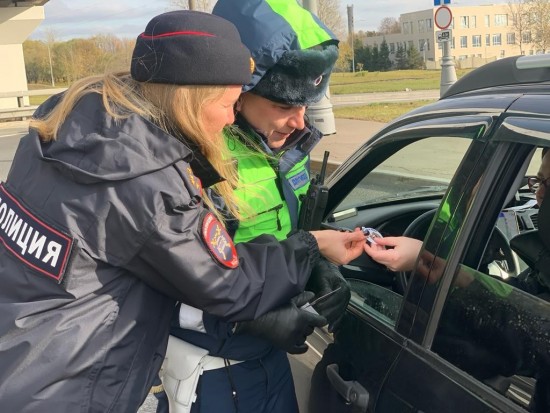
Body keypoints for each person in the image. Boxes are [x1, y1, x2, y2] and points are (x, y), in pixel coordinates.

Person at [0, 10, 368, 413]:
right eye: (228, 103)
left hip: (24, 354)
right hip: (68, 387)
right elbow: (225, 283)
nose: (230, 118)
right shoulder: (143, 176)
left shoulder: (64, 123)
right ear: (190, 99)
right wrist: (311, 249)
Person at [154, 2, 349, 413]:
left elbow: (290, 231)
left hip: (268, 362)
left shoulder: (286, 151)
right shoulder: (191, 162)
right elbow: (168, 273)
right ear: (238, 94)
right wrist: (250, 318)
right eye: (283, 106)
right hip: (210, 371)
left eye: (306, 105)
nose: (300, 123)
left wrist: (316, 265)